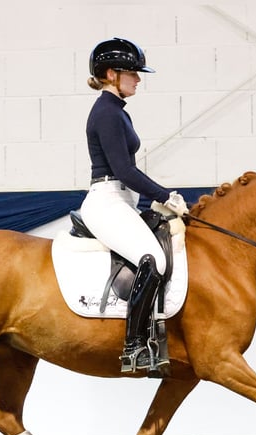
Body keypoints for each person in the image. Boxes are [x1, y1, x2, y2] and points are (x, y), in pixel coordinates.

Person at [80, 37, 189, 374]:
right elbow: (124, 170)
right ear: (111, 74)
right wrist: (165, 195)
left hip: (122, 200)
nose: (138, 79)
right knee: (153, 258)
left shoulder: (117, 112)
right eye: (132, 73)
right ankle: (134, 346)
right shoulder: (107, 113)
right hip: (107, 201)